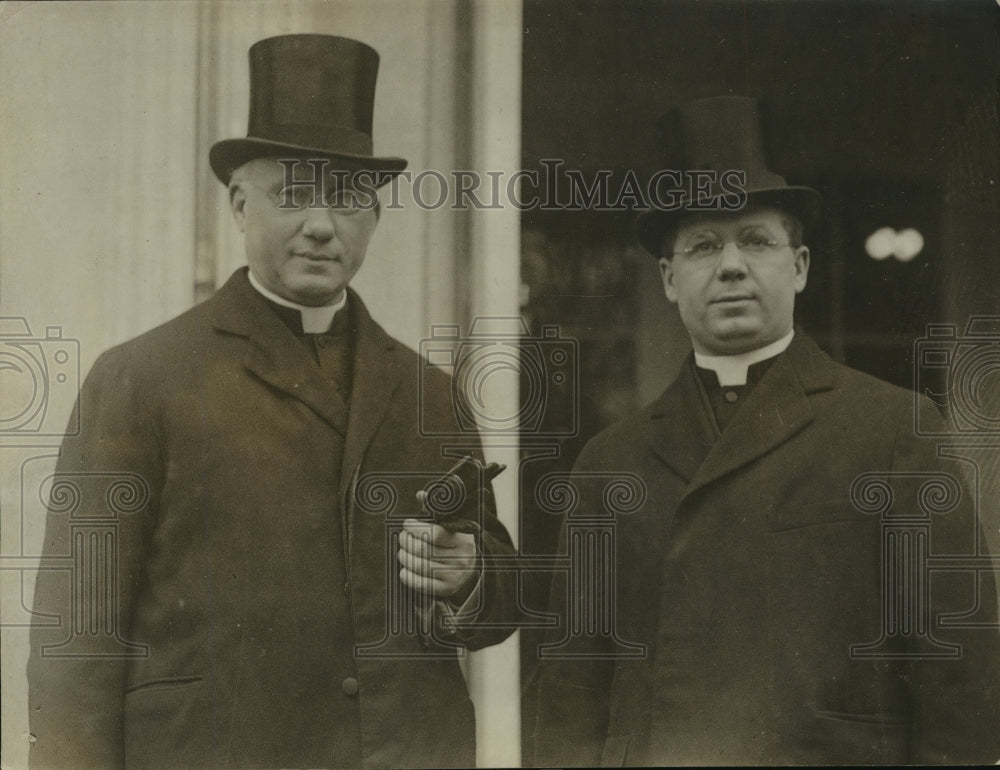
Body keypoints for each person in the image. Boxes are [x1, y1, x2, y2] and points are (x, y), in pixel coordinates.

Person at [27, 34, 516, 769]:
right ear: (239, 203)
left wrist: (472, 574)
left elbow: (499, 605)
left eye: (349, 199)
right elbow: (78, 645)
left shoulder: (431, 396)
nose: (323, 224)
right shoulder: (139, 380)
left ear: (375, 219)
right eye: (294, 194)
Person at [532, 95, 1000, 765]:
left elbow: (959, 677)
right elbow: (573, 694)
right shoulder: (611, 464)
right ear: (669, 279)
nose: (729, 266)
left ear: (800, 265)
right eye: (702, 246)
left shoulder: (894, 430)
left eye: (755, 240)